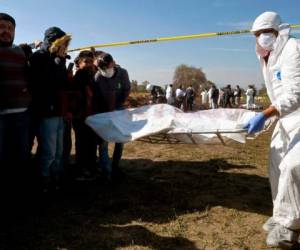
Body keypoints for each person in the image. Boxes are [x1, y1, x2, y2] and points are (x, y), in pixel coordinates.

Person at [244, 11, 300, 248]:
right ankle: (280, 216)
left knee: (292, 167)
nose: (259, 39)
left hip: (297, 114)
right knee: (276, 164)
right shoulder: (267, 56)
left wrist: (266, 114)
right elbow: (277, 91)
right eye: (256, 35)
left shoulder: (293, 50)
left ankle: (290, 227)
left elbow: (295, 94)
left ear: (277, 32)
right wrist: (269, 116)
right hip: (284, 117)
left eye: (263, 34)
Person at [30, 27, 71, 191]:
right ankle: (44, 180)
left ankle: (56, 178)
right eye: (62, 43)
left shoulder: (57, 59)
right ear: (53, 42)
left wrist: (61, 61)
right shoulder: (39, 57)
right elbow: (45, 84)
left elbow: (62, 85)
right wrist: (59, 61)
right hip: (47, 112)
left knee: (59, 151)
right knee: (49, 151)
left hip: (59, 112)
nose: (65, 47)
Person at [0, 13, 31, 197]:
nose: (6, 31)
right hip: (1, 115)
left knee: (22, 154)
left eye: (10, 28)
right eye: (2, 27)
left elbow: (28, 76)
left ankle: (19, 193)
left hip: (22, 113)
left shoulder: (19, 52)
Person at [94, 52, 131, 180]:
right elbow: (96, 95)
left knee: (120, 140)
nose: (105, 71)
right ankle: (106, 170)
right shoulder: (98, 77)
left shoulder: (123, 73)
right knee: (103, 142)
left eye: (107, 67)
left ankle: (115, 166)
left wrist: (119, 105)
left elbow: (126, 90)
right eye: (102, 68)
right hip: (103, 110)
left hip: (119, 108)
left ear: (113, 63)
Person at [71, 50, 98, 179]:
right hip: (81, 117)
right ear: (80, 63)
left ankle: (91, 168)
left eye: (90, 61)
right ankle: (81, 170)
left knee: (92, 143)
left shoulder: (92, 77)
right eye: (86, 62)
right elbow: (75, 99)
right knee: (81, 144)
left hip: (92, 117)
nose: (88, 64)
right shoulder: (78, 78)